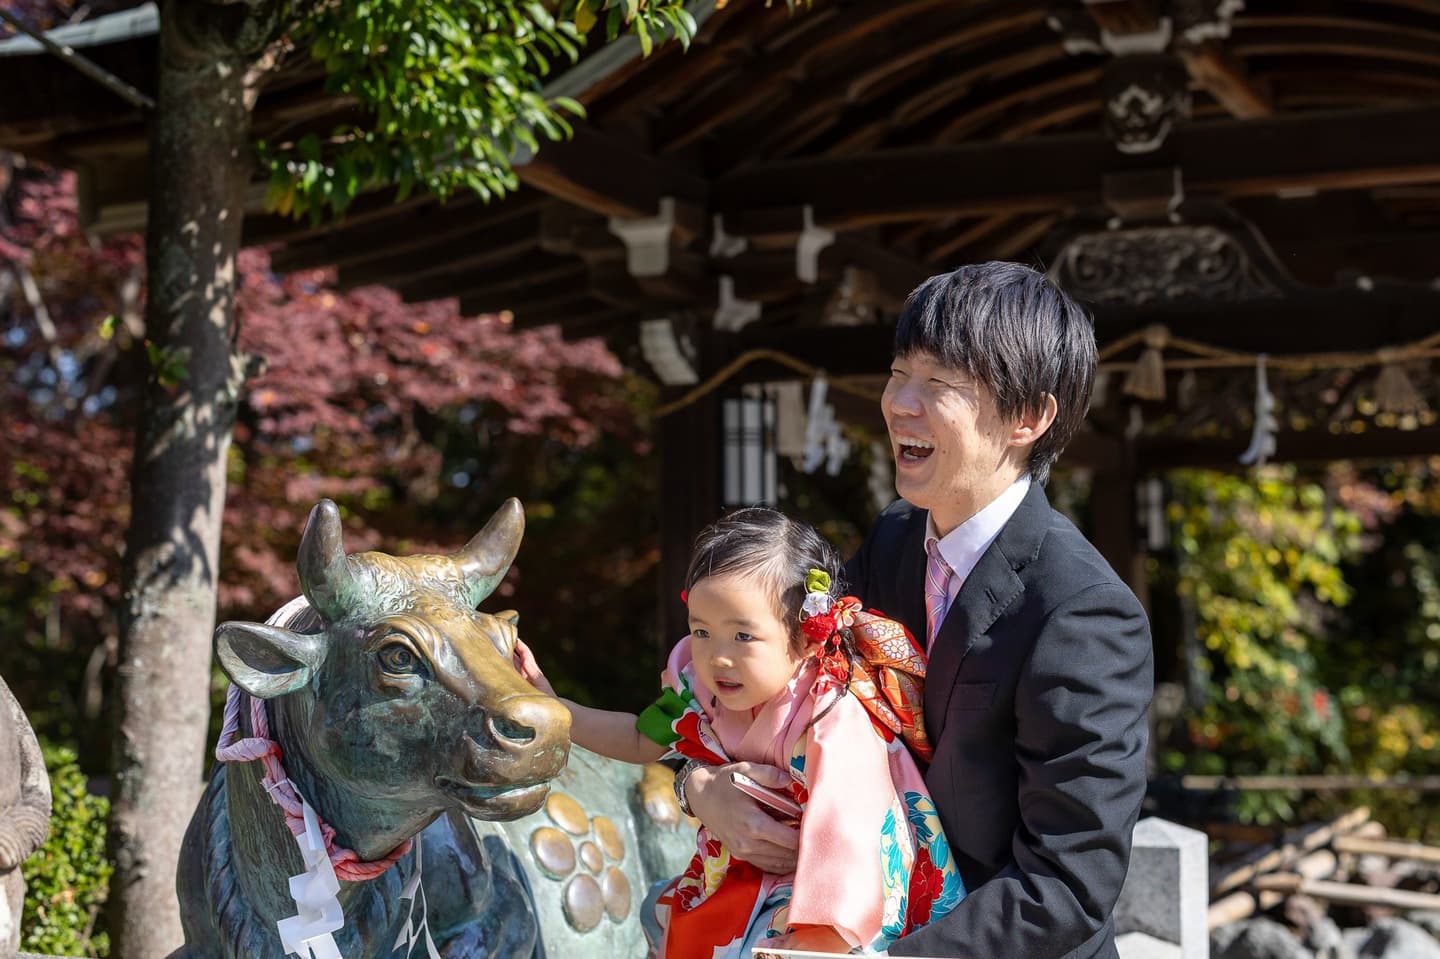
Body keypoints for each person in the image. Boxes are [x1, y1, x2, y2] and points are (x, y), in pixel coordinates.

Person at [682, 261, 1155, 959]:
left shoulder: (1084, 613)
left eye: (939, 384)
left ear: (1029, 416)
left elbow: (1066, 886)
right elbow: (758, 677)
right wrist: (699, 787)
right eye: (899, 372)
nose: (901, 402)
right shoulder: (895, 539)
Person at [516, 508, 964, 957]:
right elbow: (638, 737)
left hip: (835, 889)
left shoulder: (831, 715)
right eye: (702, 631)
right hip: (746, 871)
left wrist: (822, 932)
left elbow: (848, 828)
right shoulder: (698, 687)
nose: (717, 657)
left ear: (807, 637)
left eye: (743, 637)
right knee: (664, 915)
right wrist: (559, 710)